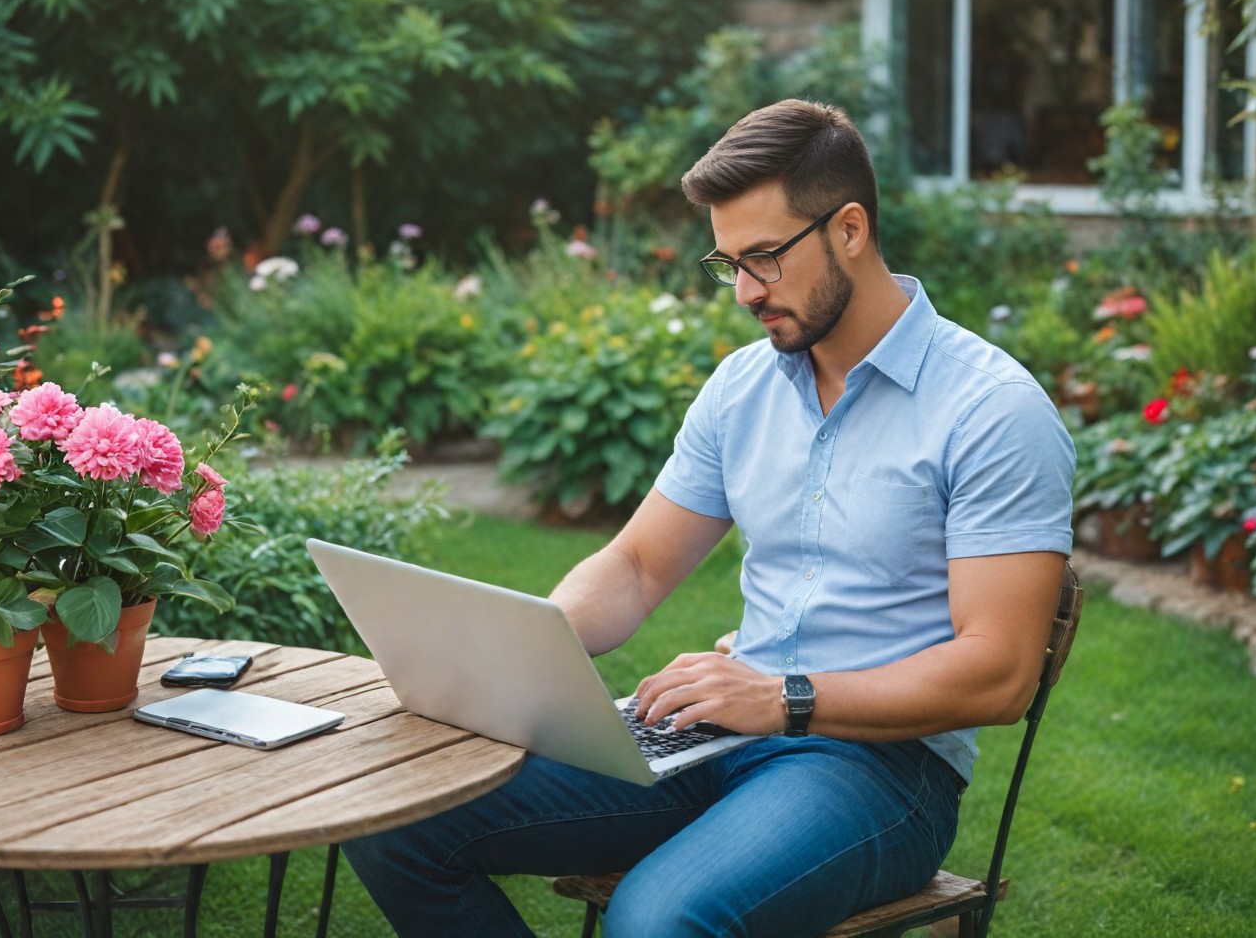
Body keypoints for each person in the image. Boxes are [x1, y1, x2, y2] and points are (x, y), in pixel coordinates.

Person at [343, 98, 1075, 937]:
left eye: (764, 258)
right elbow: (638, 567)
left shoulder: (992, 411)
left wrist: (783, 698)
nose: (745, 294)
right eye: (728, 264)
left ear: (849, 229)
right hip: (713, 730)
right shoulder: (743, 388)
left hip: (879, 772)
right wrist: (520, 650)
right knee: (396, 812)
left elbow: (999, 672)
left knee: (659, 923)